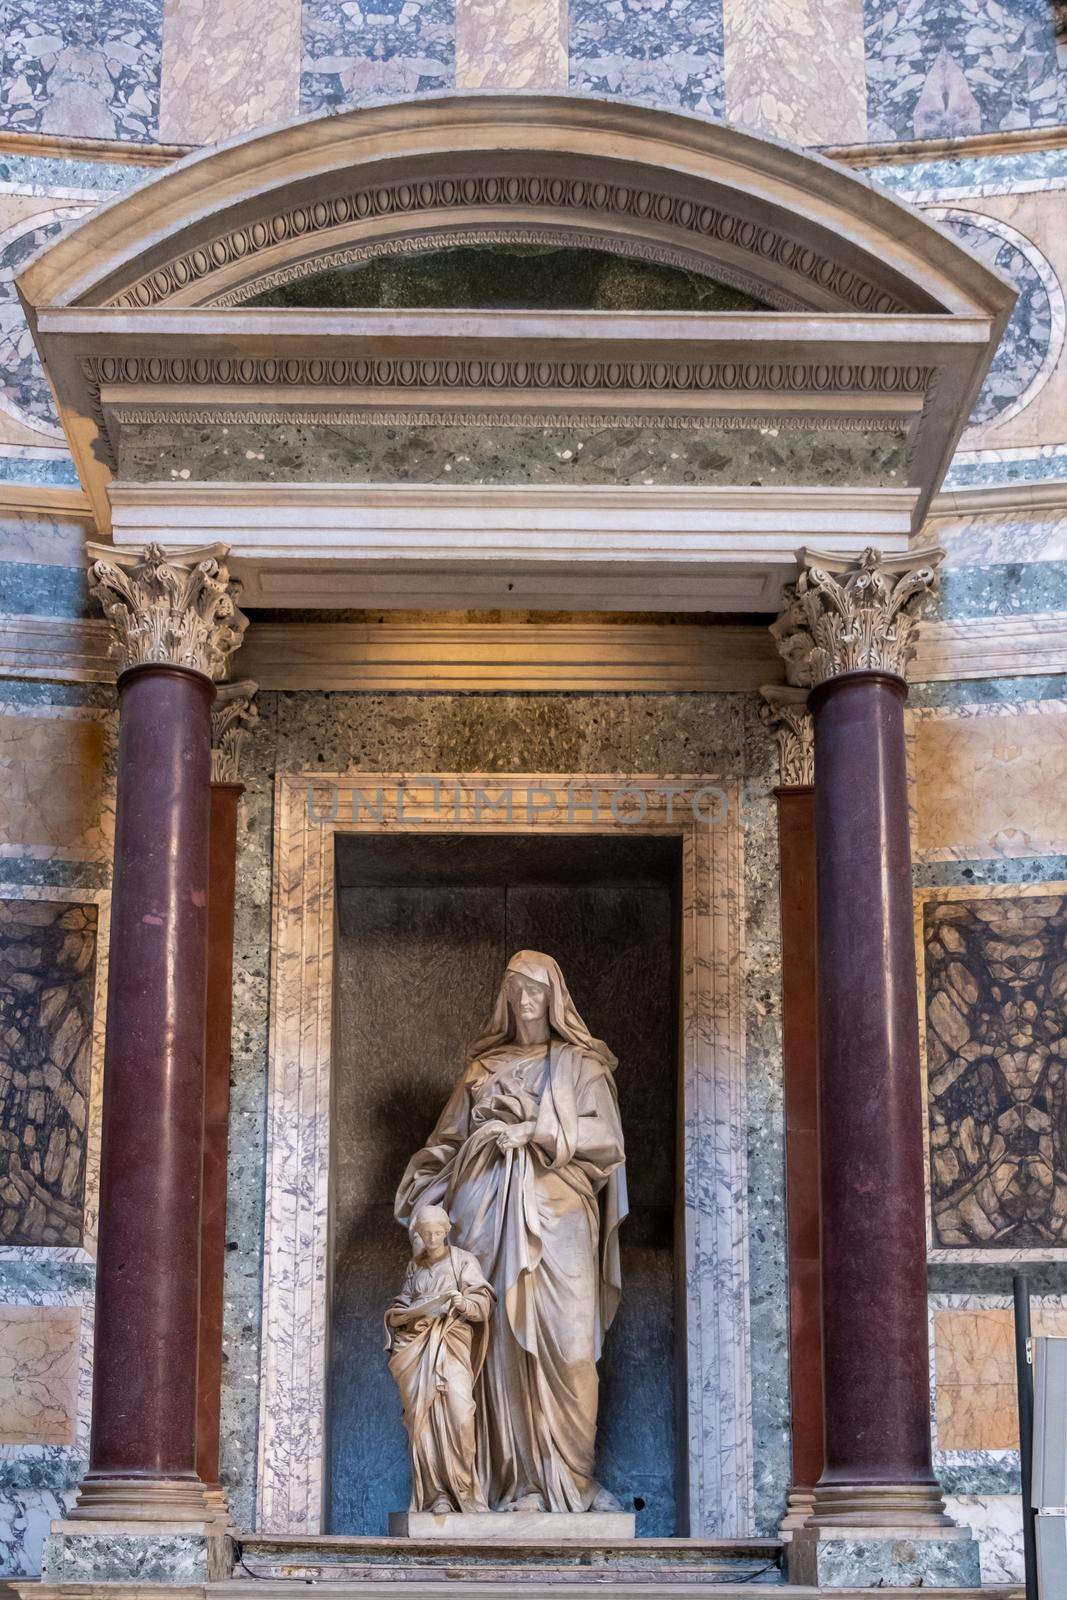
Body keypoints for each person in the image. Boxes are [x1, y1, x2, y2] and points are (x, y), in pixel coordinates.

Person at [395, 950, 627, 1513]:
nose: (526, 1000)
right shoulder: (482, 1069)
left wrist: (535, 1130)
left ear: (555, 998)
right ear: (504, 998)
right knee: (495, 1342)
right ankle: (517, 1484)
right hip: (486, 1214)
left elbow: (608, 1143)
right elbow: (442, 1149)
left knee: (571, 1348)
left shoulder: (581, 1065)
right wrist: (431, 1202)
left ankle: (573, 1479)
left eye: (537, 990)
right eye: (516, 989)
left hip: (562, 1213)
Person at [385, 1203, 495, 1514]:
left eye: (437, 1233)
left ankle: (463, 1489)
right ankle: (436, 1496)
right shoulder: (414, 1267)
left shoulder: (463, 1261)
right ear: (418, 1234)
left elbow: (484, 1302)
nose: (432, 1239)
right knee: (422, 1422)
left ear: (447, 1232)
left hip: (450, 1344)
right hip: (416, 1351)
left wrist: (463, 1303)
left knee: (461, 1414)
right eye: (426, 1233)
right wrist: (399, 1315)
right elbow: (401, 1305)